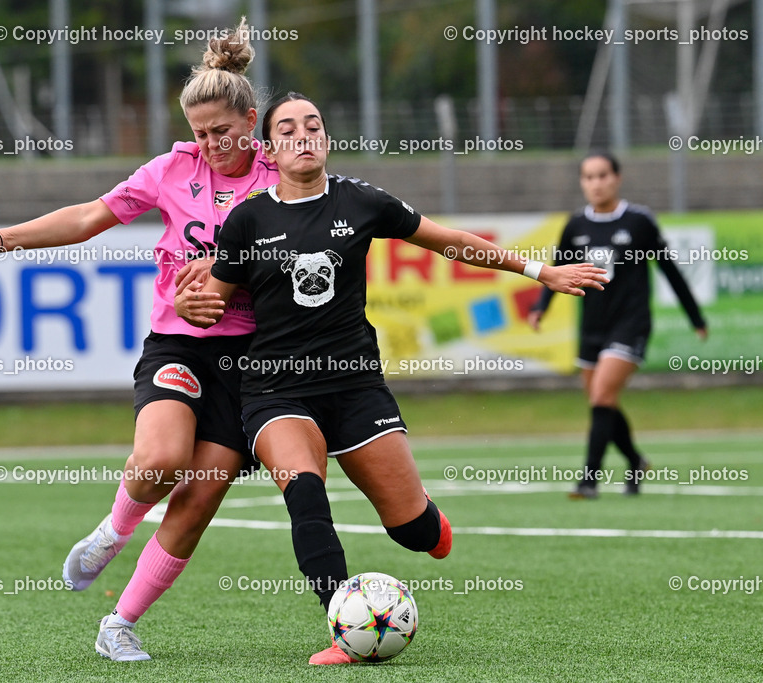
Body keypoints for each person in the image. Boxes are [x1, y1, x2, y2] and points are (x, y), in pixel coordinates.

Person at [174, 92, 608, 665]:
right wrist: (189, 308)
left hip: (356, 386)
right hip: (276, 390)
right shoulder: (248, 219)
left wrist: (538, 270)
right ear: (270, 148)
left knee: (414, 531)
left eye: (314, 125)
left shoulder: (362, 202)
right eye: (289, 129)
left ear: (326, 138)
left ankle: (427, 520)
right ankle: (343, 632)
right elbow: (215, 300)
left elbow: (451, 242)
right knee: (305, 490)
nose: (304, 135)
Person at [0, 19, 278, 661]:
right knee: (162, 459)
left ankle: (119, 624)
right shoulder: (171, 169)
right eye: (199, 133)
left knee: (200, 496)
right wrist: (9, 236)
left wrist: (232, 284)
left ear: (252, 118)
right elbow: (88, 217)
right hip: (179, 346)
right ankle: (112, 532)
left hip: (249, 359)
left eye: (222, 131)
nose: (211, 144)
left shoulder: (280, 179)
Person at [528, 151, 707, 499]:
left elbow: (669, 270)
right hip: (592, 326)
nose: (595, 183)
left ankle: (588, 481)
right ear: (582, 182)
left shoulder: (639, 221)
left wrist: (696, 318)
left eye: (602, 175)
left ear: (617, 178)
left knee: (601, 396)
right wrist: (541, 307)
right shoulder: (576, 225)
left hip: (631, 323)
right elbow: (557, 270)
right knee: (602, 402)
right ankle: (636, 460)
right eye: (588, 177)